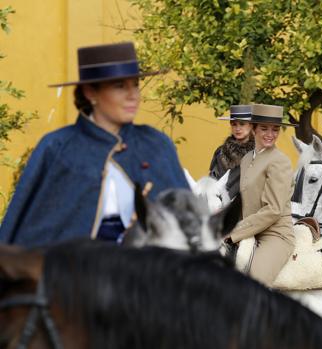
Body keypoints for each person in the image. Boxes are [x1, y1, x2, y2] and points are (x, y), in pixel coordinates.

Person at [0, 42, 189, 247]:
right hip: (72, 272)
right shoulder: (57, 147)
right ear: (91, 92)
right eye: (119, 86)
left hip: (148, 273)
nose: (132, 95)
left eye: (135, 84)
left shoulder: (156, 145)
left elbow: (190, 225)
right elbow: (27, 230)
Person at [224, 104, 297, 287]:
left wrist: (235, 233)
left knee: (253, 284)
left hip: (275, 235)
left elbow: (273, 210)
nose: (270, 134)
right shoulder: (248, 158)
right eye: (264, 128)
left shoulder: (280, 161)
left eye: (275, 129)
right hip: (251, 231)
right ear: (254, 129)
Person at [209, 105, 255, 198]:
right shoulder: (221, 152)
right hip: (221, 204)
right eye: (234, 124)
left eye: (242, 124)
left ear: (251, 126)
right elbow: (212, 179)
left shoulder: (258, 153)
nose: (237, 128)